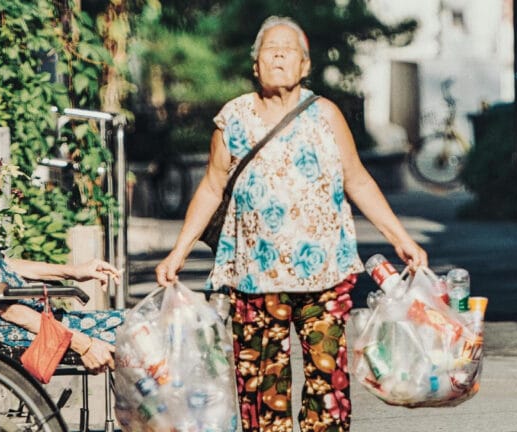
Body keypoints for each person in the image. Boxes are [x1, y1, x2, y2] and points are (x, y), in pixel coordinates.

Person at [155, 15, 428, 432]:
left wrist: (400, 238)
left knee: (328, 392)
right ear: (255, 65)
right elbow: (211, 187)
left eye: (290, 49)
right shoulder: (234, 118)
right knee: (263, 393)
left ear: (304, 66)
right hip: (253, 277)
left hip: (326, 274)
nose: (279, 53)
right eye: (270, 48)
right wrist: (179, 252)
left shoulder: (326, 115)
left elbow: (357, 179)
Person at [0, 133, 123, 373]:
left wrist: (74, 272)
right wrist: (82, 344)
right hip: (20, 334)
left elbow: (1, 266)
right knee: (141, 328)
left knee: (142, 326)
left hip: (37, 327)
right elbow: (4, 307)